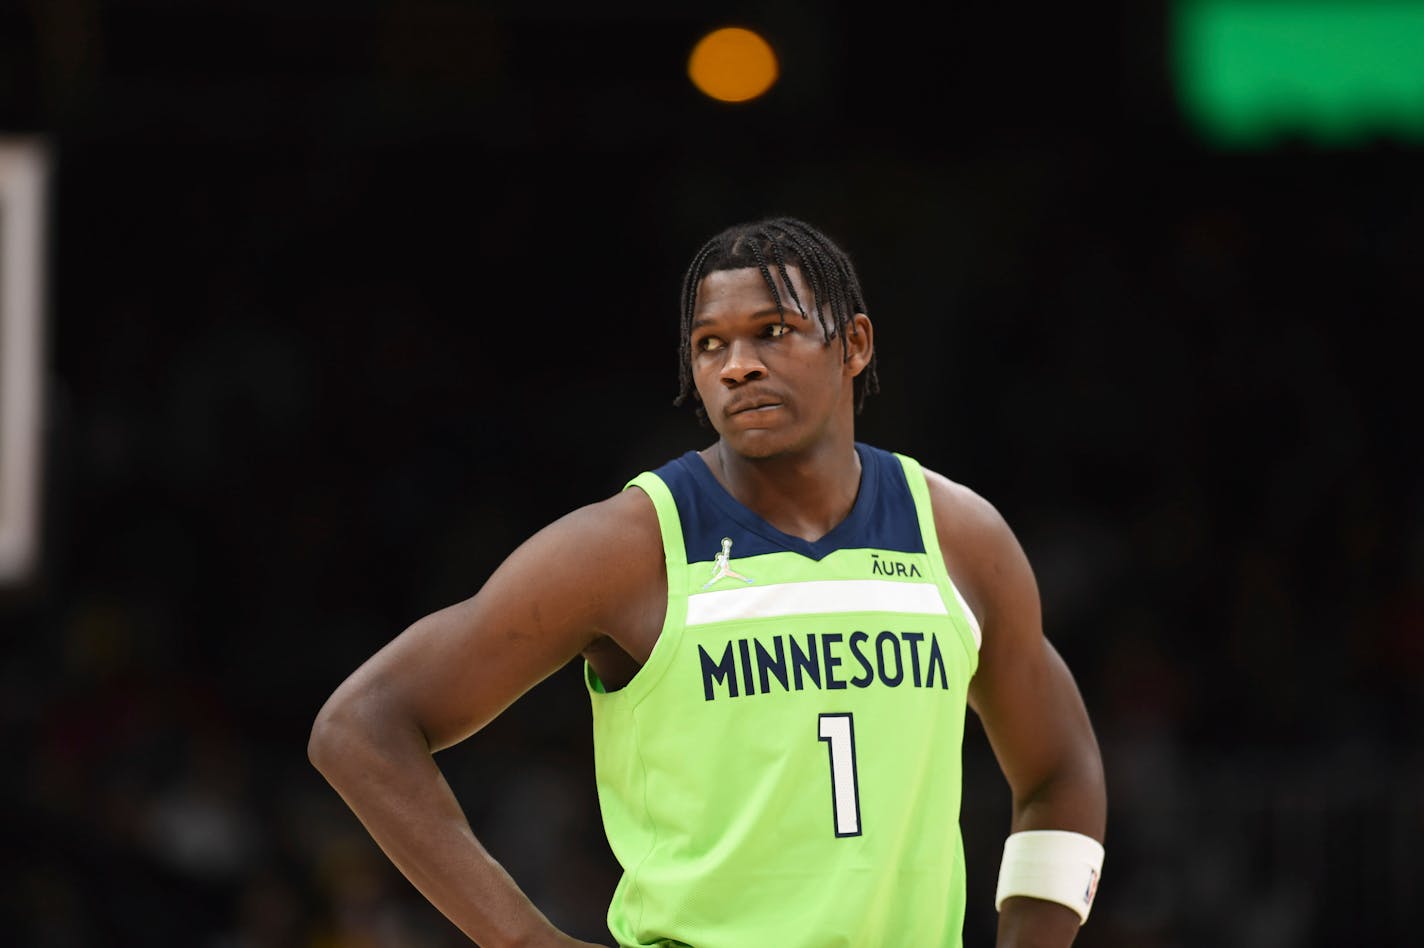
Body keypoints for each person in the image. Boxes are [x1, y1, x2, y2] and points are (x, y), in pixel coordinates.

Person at [309, 216, 1108, 946]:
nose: (738, 366)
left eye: (773, 332)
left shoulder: (960, 536)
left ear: (854, 344)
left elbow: (1059, 769)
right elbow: (361, 725)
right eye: (709, 345)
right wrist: (527, 941)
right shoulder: (627, 547)